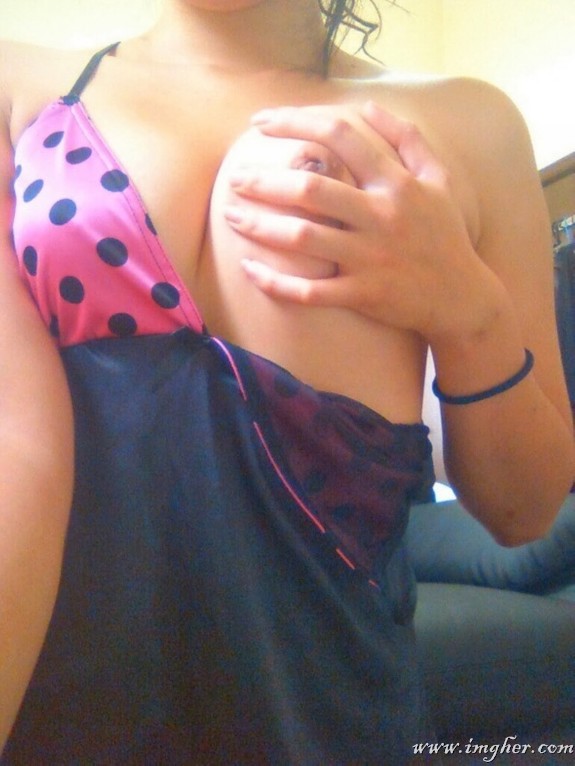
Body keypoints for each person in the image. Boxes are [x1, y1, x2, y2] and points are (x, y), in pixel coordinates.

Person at [0, 0, 573, 762]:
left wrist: (469, 313)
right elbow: (15, 445)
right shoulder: (17, 83)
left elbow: (524, 510)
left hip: (334, 714)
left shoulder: (470, 123)